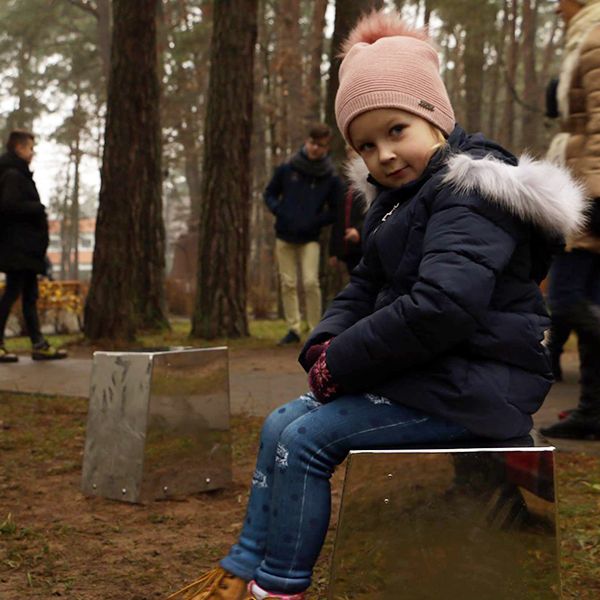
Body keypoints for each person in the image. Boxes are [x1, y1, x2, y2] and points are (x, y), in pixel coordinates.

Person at [166, 11, 584, 600]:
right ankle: (240, 569)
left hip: (479, 388)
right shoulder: (399, 199)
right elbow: (363, 286)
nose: (383, 154)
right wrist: (322, 344)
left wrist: (346, 363)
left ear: (436, 119)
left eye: (397, 130)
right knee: (282, 421)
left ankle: (277, 589)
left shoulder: (469, 195)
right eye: (365, 144)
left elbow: (442, 306)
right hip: (432, 375)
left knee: (305, 440)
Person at [540, 0, 600, 440]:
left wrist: (595, 195)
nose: (556, 7)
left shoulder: (596, 34)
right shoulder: (585, 33)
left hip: (589, 187)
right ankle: (593, 410)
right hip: (581, 177)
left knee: (564, 297)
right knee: (591, 298)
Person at [264, 123, 343, 346]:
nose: (315, 148)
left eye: (320, 145)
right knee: (288, 283)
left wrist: (315, 220)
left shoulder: (329, 177)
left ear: (326, 148)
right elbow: (269, 193)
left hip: (310, 238)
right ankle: (294, 328)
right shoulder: (287, 169)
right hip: (284, 235)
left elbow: (336, 210)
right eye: (312, 143)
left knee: (310, 282)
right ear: (306, 141)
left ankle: (316, 329)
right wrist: (279, 210)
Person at [0, 130, 67, 362]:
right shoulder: (12, 175)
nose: (32, 152)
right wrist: (37, 208)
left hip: (26, 249)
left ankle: (38, 344)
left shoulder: (19, 174)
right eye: (30, 148)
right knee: (13, 293)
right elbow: (8, 206)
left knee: (29, 295)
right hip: (18, 248)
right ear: (19, 148)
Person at [328, 146, 366, 275]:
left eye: (353, 150)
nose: (350, 155)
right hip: (350, 248)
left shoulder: (372, 180)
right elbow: (339, 218)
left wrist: (360, 231)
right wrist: (334, 251)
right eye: (348, 151)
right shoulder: (345, 185)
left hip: (367, 245)